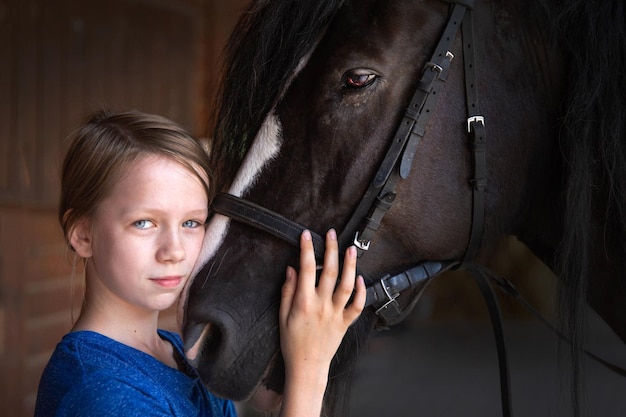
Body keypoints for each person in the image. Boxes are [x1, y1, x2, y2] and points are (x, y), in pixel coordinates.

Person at [34, 110, 366, 417]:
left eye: (191, 223)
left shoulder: (175, 349)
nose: (174, 251)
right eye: (144, 223)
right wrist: (309, 370)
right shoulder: (104, 394)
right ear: (83, 235)